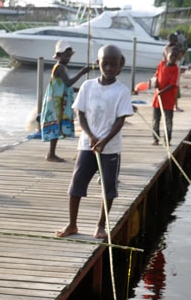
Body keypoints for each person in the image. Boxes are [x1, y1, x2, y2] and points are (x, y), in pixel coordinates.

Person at [56, 44, 134, 240]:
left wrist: (105, 140)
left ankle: (100, 225)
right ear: (98, 64)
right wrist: (90, 135)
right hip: (87, 144)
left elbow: (120, 120)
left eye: (113, 65)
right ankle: (72, 223)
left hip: (111, 147)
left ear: (120, 65)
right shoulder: (87, 86)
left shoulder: (122, 91)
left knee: (108, 186)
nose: (108, 68)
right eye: (104, 64)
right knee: (76, 184)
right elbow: (80, 113)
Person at [41, 39, 91, 162]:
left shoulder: (63, 68)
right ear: (58, 55)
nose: (68, 58)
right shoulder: (59, 68)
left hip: (59, 101)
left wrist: (80, 89)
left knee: (57, 126)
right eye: (65, 55)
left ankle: (51, 153)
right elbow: (68, 83)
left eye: (69, 56)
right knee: (55, 126)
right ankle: (50, 154)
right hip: (55, 102)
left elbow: (65, 86)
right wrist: (82, 72)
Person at [152, 46, 182, 145]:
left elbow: (172, 84)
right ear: (167, 55)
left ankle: (167, 140)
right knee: (156, 119)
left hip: (168, 98)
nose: (173, 58)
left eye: (175, 57)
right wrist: (155, 82)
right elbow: (156, 75)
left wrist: (162, 91)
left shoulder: (175, 69)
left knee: (168, 120)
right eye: (171, 56)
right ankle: (155, 138)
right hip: (158, 97)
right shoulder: (161, 64)